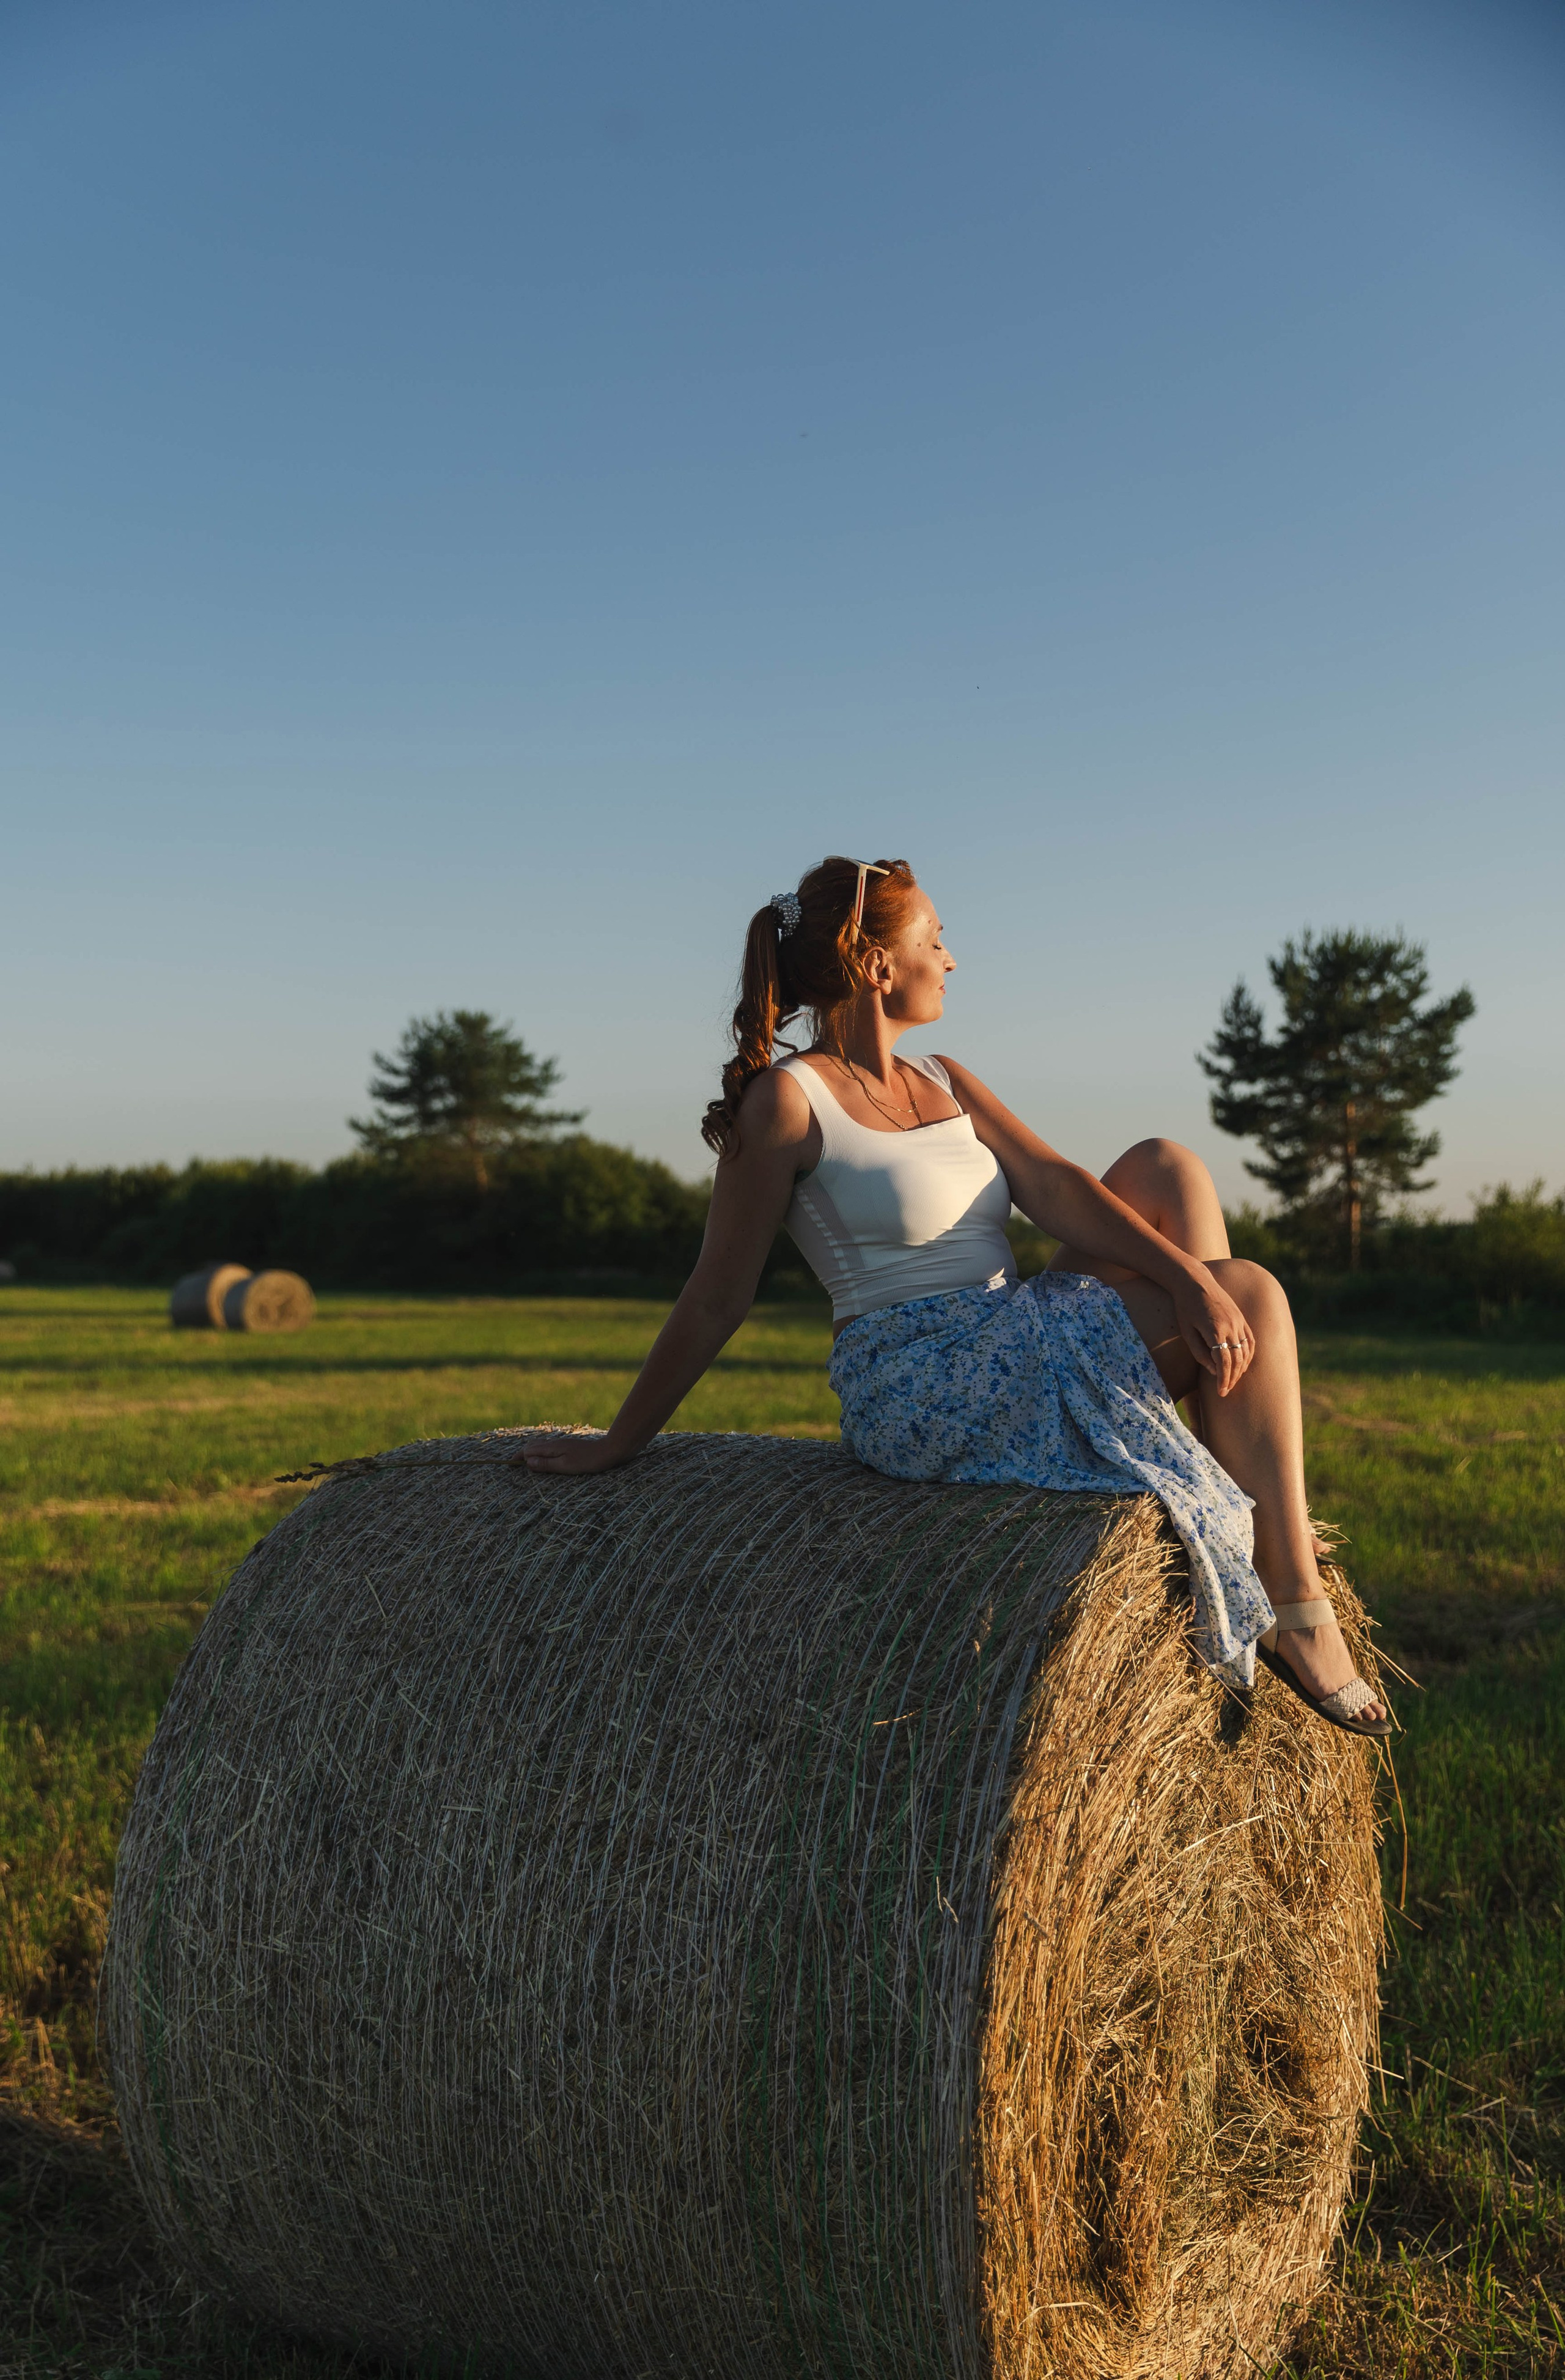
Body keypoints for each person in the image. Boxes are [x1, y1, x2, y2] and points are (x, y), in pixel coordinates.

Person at [519, 855, 1390, 1737]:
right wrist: (620, 1443)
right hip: (922, 1376)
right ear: (876, 964)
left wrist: (1186, 1278)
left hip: (1010, 1327)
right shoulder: (788, 1103)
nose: (952, 959)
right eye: (936, 940)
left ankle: (1239, 1492)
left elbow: (1052, 1183)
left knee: (1169, 1167)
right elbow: (716, 1296)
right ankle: (1290, 1593)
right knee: (1256, 1293)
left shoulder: (943, 1077)